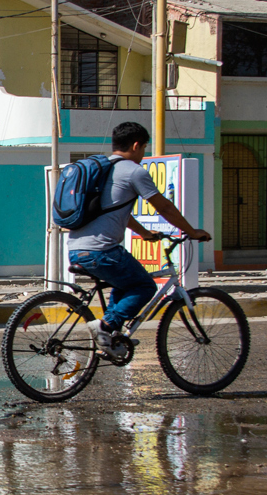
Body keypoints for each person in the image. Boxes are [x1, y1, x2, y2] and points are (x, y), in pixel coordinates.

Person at [67, 121, 211, 355]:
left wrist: (144, 233)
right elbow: (163, 206)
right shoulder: (134, 171)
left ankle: (112, 339)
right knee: (144, 286)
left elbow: (116, 210)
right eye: (144, 148)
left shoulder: (102, 170)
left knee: (124, 282)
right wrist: (192, 232)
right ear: (136, 145)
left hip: (76, 248)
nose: (144, 154)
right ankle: (104, 327)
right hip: (102, 251)